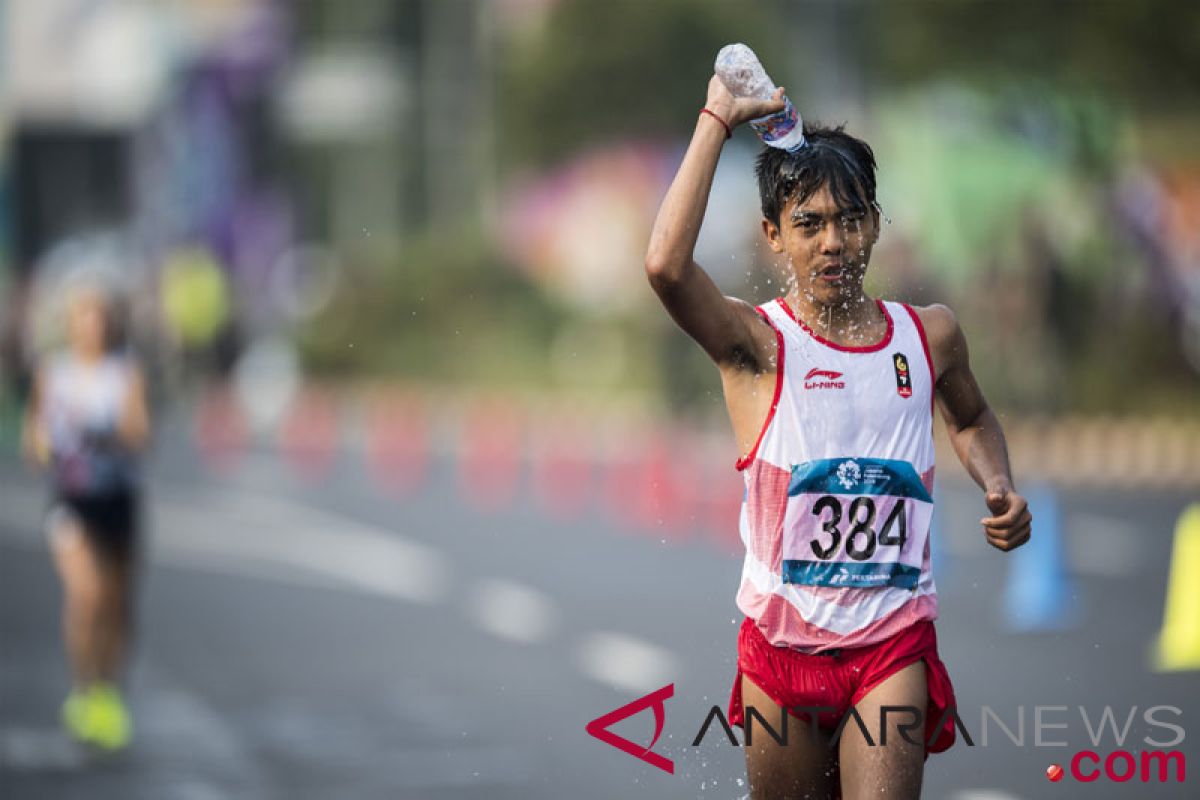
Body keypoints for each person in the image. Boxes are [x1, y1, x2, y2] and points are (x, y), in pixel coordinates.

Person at [645, 76, 1032, 799]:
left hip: (891, 644)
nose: (834, 243)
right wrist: (715, 118)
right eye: (810, 222)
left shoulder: (931, 335)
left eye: (850, 220)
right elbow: (666, 267)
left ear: (877, 224)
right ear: (773, 235)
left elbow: (973, 420)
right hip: (780, 655)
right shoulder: (757, 345)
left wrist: (998, 481)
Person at [22, 281, 150, 751]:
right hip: (72, 499)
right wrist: (44, 445)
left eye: (98, 317)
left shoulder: (125, 372)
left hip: (117, 497)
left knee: (118, 605)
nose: (90, 326)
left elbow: (140, 434)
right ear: (71, 324)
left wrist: (103, 431)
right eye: (82, 317)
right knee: (86, 593)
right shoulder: (53, 373)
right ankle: (82, 690)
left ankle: (109, 693)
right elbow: (32, 437)